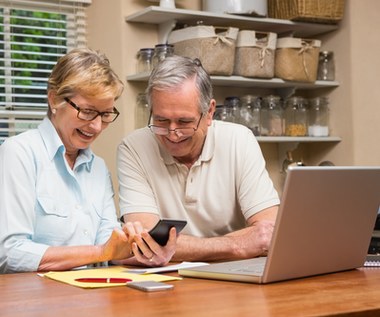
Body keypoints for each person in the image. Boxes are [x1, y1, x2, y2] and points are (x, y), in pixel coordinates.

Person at [0, 48, 175, 273]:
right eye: (87, 111)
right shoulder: (18, 154)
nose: (96, 126)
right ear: (54, 99)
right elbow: (10, 253)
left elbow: (110, 247)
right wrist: (101, 252)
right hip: (34, 301)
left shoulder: (98, 168)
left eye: (105, 114)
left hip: (92, 295)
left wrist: (147, 253)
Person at [117, 55, 280, 264]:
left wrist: (180, 247)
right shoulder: (133, 147)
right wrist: (237, 245)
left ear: (210, 112)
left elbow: (268, 233)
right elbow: (146, 242)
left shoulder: (239, 139)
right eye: (161, 120)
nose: (172, 133)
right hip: (171, 281)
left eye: (184, 122)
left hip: (237, 279)